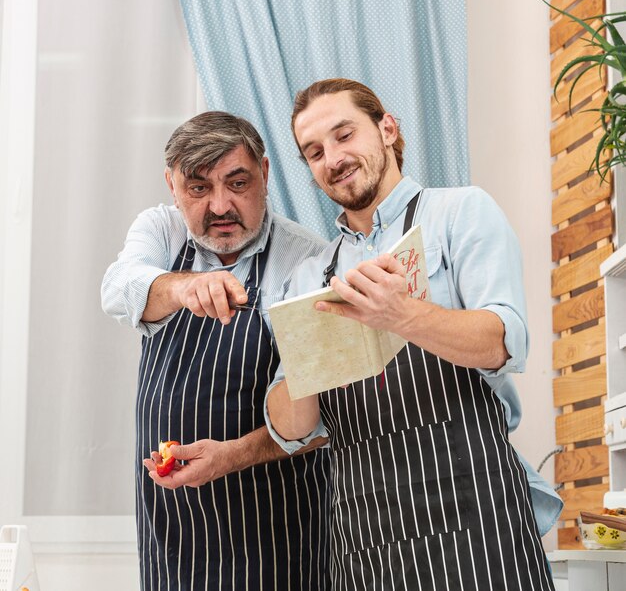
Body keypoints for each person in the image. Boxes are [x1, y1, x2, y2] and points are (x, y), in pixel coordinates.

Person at [265, 78, 562, 591]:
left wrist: (400, 315)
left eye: (344, 135)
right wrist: (310, 357)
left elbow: (503, 340)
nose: (332, 158)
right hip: (366, 529)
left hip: (475, 511)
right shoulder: (309, 279)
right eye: (314, 152)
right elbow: (292, 430)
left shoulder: (460, 213)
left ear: (387, 128)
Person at [101, 111, 330, 591]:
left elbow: (322, 419)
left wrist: (228, 457)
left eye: (237, 182)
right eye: (198, 188)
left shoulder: (307, 261)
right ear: (172, 186)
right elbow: (118, 289)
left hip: (276, 528)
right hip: (171, 522)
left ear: (265, 174)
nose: (220, 205)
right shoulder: (163, 233)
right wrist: (185, 288)